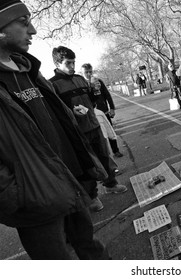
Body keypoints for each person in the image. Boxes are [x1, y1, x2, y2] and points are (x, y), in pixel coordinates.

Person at [0, 0, 109, 259]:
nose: (34, 30)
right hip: (35, 199)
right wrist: (16, 198)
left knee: (90, 246)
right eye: (24, 22)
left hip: (68, 180)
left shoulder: (29, 68)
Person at [50, 46, 127, 212]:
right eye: (68, 63)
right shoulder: (53, 85)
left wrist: (95, 92)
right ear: (57, 63)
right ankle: (91, 196)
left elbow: (91, 101)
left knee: (104, 156)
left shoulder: (79, 79)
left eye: (73, 62)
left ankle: (110, 184)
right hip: (77, 133)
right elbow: (55, 112)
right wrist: (72, 112)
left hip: (94, 125)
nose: (72, 66)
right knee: (87, 165)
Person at [81, 63, 124, 158]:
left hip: (105, 112)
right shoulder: (82, 85)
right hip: (93, 115)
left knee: (110, 132)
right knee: (101, 137)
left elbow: (107, 95)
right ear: (82, 73)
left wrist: (112, 108)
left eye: (90, 71)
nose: (88, 74)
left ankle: (115, 150)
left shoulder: (98, 81)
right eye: (86, 72)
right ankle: (107, 156)